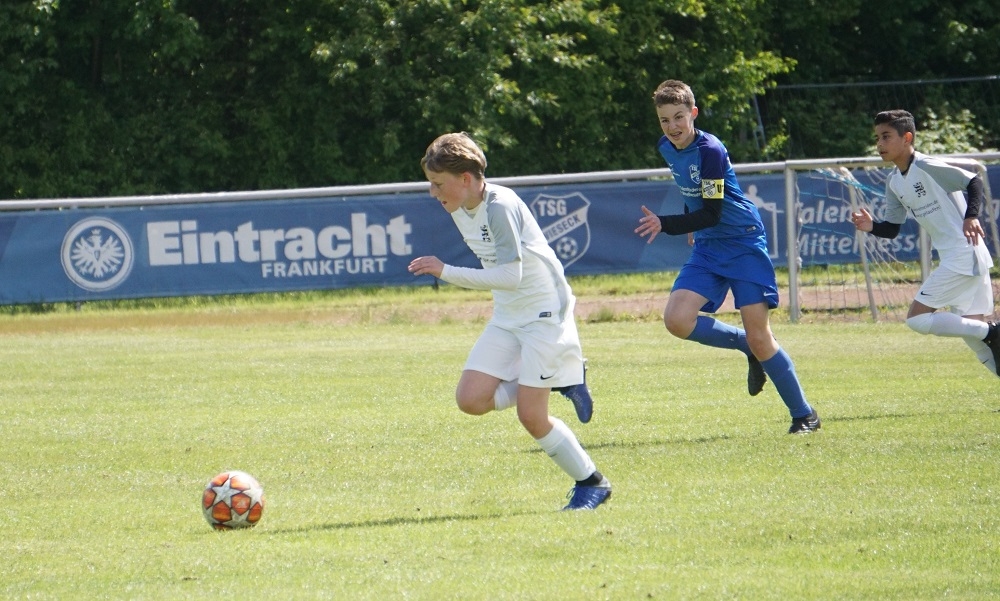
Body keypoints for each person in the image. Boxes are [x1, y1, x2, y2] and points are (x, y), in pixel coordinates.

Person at [408, 132, 611, 510]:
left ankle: (592, 482)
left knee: (532, 416)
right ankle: (563, 374)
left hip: (543, 311)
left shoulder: (499, 207)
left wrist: (444, 270)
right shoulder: (459, 204)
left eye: (437, 184)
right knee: (471, 399)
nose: (433, 193)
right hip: (508, 313)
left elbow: (510, 276)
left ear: (464, 179)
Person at [634, 79, 821, 434]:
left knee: (761, 336)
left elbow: (712, 212)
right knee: (677, 320)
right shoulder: (666, 146)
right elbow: (693, 194)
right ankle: (746, 347)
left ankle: (805, 415)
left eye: (678, 117)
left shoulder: (711, 150)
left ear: (693, 113)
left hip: (742, 242)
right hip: (709, 245)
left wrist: (667, 223)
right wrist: (690, 219)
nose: (672, 127)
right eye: (664, 120)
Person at [851, 109, 1000, 376]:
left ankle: (993, 331)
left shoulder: (926, 165)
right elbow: (892, 229)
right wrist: (871, 227)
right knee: (975, 338)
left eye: (886, 136)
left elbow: (973, 181)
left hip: (963, 254)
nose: (879, 144)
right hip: (961, 257)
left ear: (907, 137)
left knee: (917, 319)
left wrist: (971, 217)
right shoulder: (894, 182)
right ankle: (991, 333)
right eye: (877, 138)